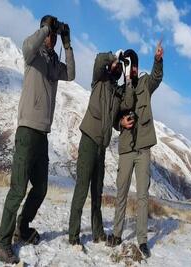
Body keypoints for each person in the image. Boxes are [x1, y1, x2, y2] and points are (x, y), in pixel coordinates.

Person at [0, 15, 75, 264]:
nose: (51, 38)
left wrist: (67, 43)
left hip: (43, 134)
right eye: (49, 34)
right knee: (18, 188)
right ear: (43, 31)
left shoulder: (53, 62)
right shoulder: (33, 55)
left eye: (53, 35)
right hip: (27, 130)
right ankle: (3, 243)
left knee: (40, 187)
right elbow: (28, 46)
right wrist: (45, 29)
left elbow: (71, 74)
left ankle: (23, 225)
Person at [68, 50, 134, 246]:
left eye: (119, 68)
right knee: (81, 188)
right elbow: (98, 60)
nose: (116, 68)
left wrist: (129, 80)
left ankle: (97, 232)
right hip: (88, 141)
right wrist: (113, 57)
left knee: (97, 192)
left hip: (102, 148)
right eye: (115, 66)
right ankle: (73, 235)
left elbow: (128, 103)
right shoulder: (99, 80)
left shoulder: (117, 93)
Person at [106, 41, 164, 258]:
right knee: (121, 192)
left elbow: (157, 77)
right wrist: (121, 123)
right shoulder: (120, 90)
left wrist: (158, 60)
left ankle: (142, 240)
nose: (133, 70)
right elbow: (113, 118)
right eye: (130, 66)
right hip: (126, 148)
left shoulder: (146, 84)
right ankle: (117, 233)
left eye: (135, 66)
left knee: (142, 196)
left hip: (143, 148)